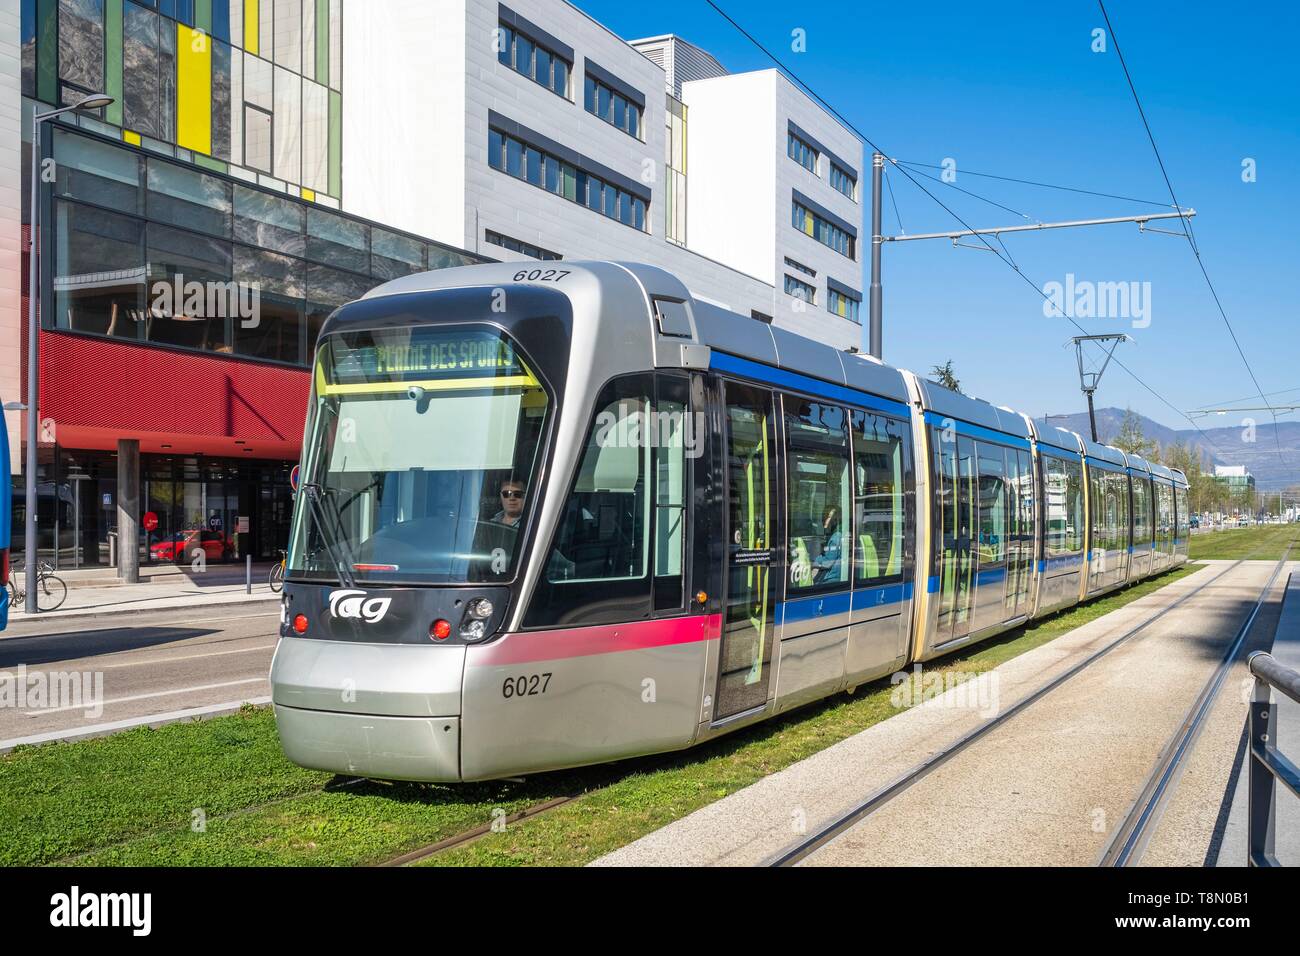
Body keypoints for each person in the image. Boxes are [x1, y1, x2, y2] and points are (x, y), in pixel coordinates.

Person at [813, 506, 845, 584]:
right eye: (824, 517)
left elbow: (827, 563)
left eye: (829, 517)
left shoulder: (836, 537)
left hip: (831, 578)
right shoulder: (834, 535)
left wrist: (813, 562)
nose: (825, 520)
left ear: (835, 520)